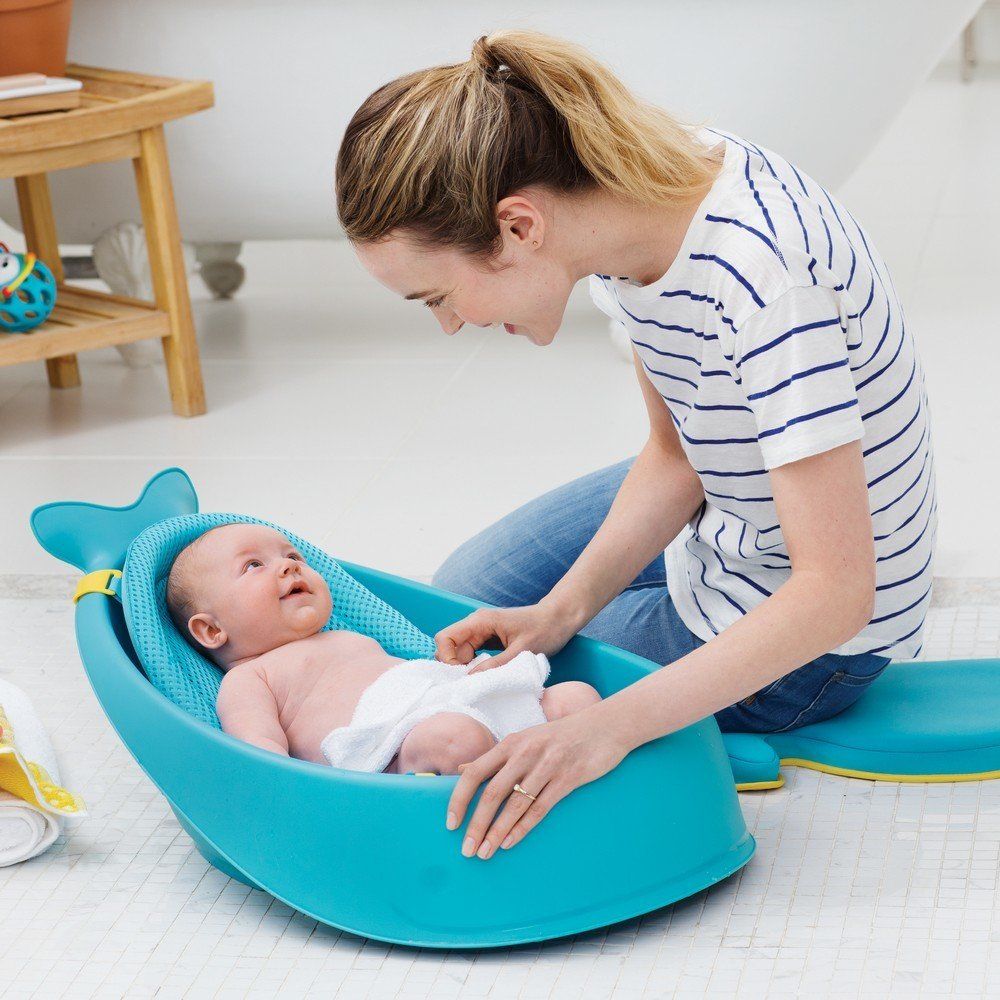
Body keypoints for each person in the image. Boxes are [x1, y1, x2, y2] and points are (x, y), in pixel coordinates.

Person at [334, 30, 936, 860]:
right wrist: (559, 612)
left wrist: (607, 729)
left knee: (492, 704)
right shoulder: (624, 202)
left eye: (437, 295)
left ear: (518, 226)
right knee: (460, 604)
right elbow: (676, 454)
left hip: (820, 627)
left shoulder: (767, 279)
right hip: (736, 488)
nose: (448, 324)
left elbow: (836, 594)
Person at [166, 522, 599, 773]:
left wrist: (461, 677)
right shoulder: (249, 678)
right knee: (454, 739)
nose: (287, 566)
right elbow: (261, 754)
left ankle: (549, 764)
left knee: (576, 698)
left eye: (293, 556)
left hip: (454, 706)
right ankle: (512, 777)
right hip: (392, 748)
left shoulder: (348, 635)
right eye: (253, 565)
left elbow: (414, 680)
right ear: (211, 630)